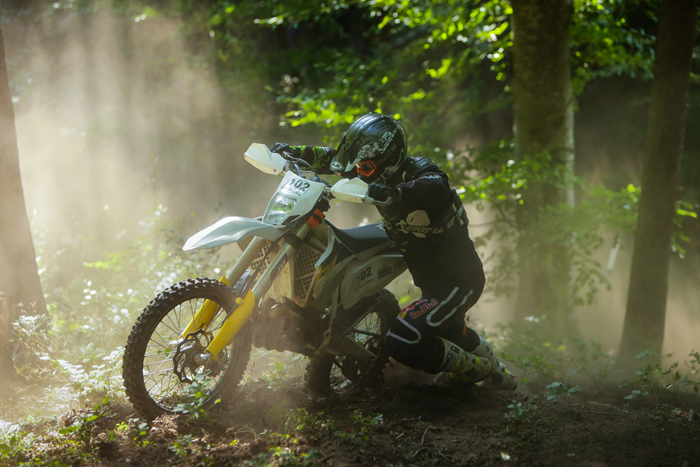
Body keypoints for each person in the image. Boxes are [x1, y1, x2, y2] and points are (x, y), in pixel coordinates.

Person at [271, 112, 517, 390]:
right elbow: (332, 159)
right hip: (431, 284)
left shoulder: (419, 171)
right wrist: (292, 151)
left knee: (402, 339)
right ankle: (500, 375)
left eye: (365, 166)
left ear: (389, 160)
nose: (359, 172)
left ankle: (477, 370)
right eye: (358, 166)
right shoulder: (371, 169)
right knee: (451, 332)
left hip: (459, 282)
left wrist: (397, 192)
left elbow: (437, 185)